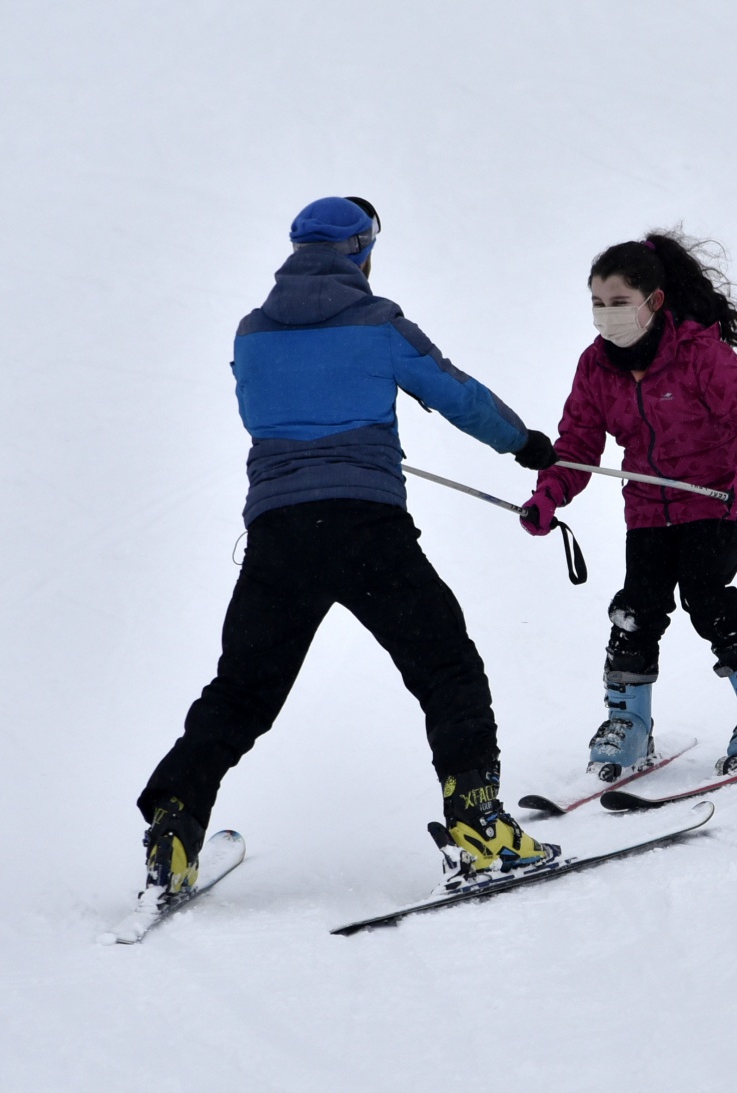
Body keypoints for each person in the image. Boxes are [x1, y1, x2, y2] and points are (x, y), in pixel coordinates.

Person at [134, 196, 561, 908]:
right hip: (368, 527)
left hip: (280, 533)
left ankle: (175, 826)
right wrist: (524, 445)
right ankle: (480, 820)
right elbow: (457, 394)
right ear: (361, 251)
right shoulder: (378, 321)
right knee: (444, 665)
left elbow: (261, 413)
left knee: (241, 692)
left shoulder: (250, 333)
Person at [520, 231, 737, 780]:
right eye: (598, 304)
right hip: (650, 509)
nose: (607, 316)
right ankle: (628, 725)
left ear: (653, 302)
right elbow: (579, 444)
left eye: (620, 303)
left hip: (717, 500)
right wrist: (549, 493)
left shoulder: (699, 353)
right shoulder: (595, 367)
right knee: (636, 609)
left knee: (706, 595)